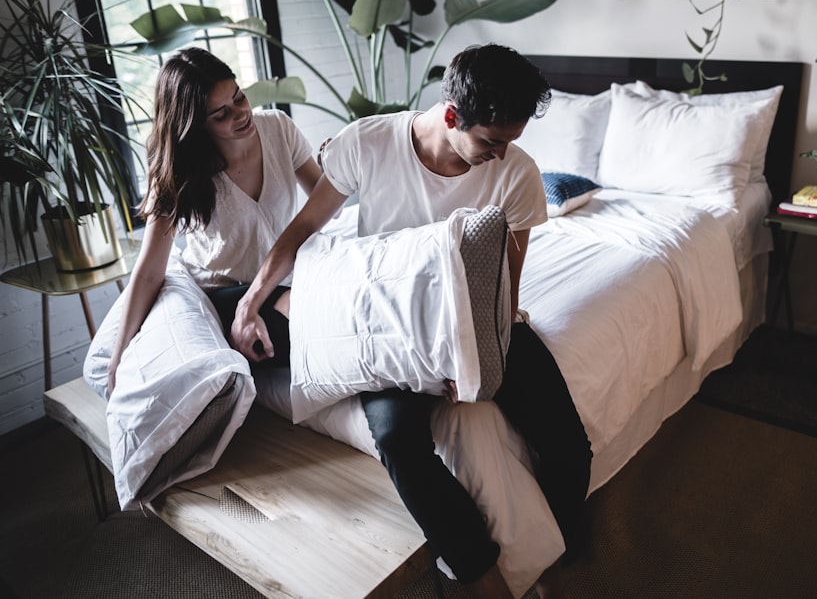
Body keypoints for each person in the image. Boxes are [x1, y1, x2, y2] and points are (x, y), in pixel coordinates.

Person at [230, 44, 592, 598]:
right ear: (452, 115)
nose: (500, 156)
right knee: (398, 440)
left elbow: (507, 279)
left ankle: (554, 565)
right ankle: (482, 576)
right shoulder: (368, 143)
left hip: (486, 321)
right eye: (490, 142)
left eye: (510, 142)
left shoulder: (515, 172)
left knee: (569, 445)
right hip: (393, 324)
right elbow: (302, 231)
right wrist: (252, 299)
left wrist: (478, 359)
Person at [106, 47, 322, 394]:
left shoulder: (279, 129)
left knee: (326, 314)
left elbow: (325, 195)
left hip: (283, 277)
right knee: (308, 325)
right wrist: (118, 357)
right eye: (221, 114)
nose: (240, 114)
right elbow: (148, 272)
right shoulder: (179, 171)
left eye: (239, 97)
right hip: (224, 291)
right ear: (194, 125)